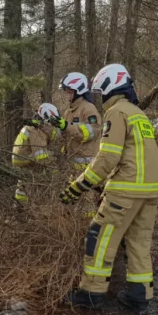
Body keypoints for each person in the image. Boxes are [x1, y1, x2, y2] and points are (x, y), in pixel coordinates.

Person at [58, 63, 158, 314]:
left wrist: (79, 185)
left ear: (109, 86)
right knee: (138, 242)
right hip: (151, 190)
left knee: (100, 237)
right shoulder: (138, 113)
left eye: (100, 90)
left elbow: (108, 157)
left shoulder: (116, 113)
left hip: (126, 188)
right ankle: (140, 296)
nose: (100, 95)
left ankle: (91, 293)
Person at [56, 72, 103, 218]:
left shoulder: (88, 109)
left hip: (87, 164)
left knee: (88, 200)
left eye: (69, 92)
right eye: (66, 92)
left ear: (78, 90)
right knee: (75, 199)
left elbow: (89, 133)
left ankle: (87, 229)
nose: (67, 95)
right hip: (73, 164)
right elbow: (64, 134)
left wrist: (66, 126)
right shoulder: (68, 111)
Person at [10, 103, 62, 204]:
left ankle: (19, 207)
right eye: (51, 125)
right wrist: (55, 170)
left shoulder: (31, 127)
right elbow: (41, 156)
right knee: (37, 181)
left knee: (22, 186)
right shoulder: (36, 131)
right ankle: (32, 206)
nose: (51, 128)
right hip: (28, 162)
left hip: (22, 161)